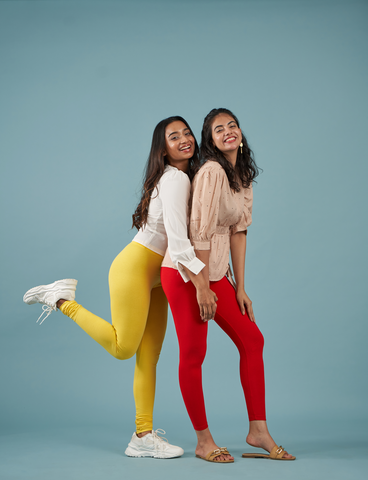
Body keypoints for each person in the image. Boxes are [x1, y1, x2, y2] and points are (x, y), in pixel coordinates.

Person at [23, 116, 217, 459]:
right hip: (135, 267)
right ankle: (62, 300)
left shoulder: (185, 177)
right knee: (124, 347)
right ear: (163, 149)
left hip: (158, 274)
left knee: (149, 356)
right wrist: (202, 281)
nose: (184, 139)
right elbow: (177, 236)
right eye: (174, 137)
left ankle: (142, 435)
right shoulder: (175, 179)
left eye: (187, 133)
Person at [161, 108, 295, 463]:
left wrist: (240, 288)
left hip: (216, 272)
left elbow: (239, 232)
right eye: (218, 129)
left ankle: (258, 431)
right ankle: (204, 441)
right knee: (194, 354)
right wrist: (203, 287)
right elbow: (200, 233)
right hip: (186, 273)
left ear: (240, 133)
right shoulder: (211, 172)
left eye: (232, 125)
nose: (228, 132)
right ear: (212, 141)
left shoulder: (242, 175)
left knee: (253, 340)